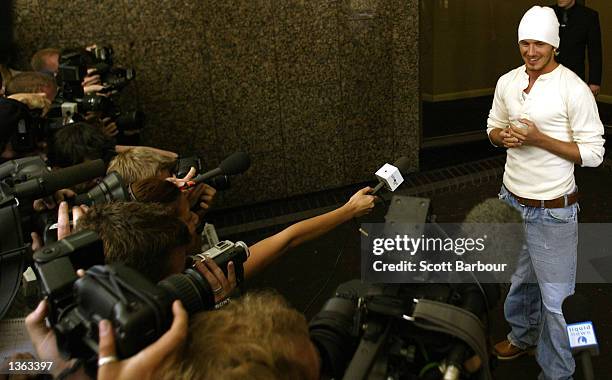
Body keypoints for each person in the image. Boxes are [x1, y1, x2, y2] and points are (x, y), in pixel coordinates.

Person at [486, 6, 605, 380]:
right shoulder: (507, 82)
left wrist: (540, 139)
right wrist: (500, 137)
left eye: (539, 43)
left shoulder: (573, 88)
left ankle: (558, 372)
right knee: (520, 281)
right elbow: (492, 126)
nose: (531, 50)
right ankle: (522, 336)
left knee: (556, 303)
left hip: (552, 211)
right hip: (511, 200)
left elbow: (594, 154)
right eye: (525, 42)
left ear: (554, 45)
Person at [129, 177, 377, 279]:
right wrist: (349, 210)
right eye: (187, 217)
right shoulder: (205, 279)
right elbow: (288, 240)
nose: (196, 218)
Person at [552, 0, 602, 97]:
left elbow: (595, 51)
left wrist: (594, 81)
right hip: (550, 73)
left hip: (575, 74)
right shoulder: (548, 12)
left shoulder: (589, 16)